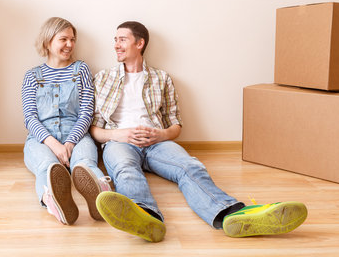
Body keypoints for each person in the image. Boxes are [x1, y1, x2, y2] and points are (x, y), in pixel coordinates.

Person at [90, 21, 307, 242]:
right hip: (119, 142)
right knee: (125, 170)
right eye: (115, 40)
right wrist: (118, 135)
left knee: (190, 167)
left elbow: (176, 125)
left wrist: (161, 135)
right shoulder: (103, 78)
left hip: (157, 143)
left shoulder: (161, 79)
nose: (116, 45)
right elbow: (94, 128)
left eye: (122, 39)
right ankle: (145, 217)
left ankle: (231, 214)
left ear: (140, 43)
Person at [22, 17, 111, 225]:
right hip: (41, 139)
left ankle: (104, 199)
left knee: (85, 165)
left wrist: (70, 143)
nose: (70, 45)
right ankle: (53, 202)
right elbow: (30, 118)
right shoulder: (31, 76)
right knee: (48, 167)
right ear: (48, 41)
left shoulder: (81, 70)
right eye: (63, 39)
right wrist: (54, 144)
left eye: (72, 39)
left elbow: (86, 113)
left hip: (78, 136)